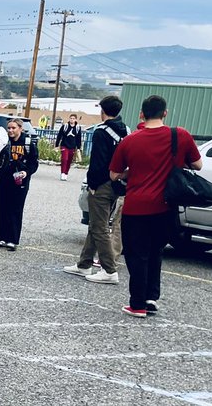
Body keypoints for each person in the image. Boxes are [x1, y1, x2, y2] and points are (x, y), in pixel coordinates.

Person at [108, 95, 201, 318]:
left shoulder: (130, 141)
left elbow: (114, 174)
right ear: (165, 113)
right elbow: (197, 164)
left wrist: (132, 172)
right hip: (166, 206)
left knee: (136, 254)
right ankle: (151, 297)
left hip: (137, 205)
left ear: (142, 114)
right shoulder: (180, 135)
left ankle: (137, 303)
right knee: (155, 251)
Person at [63, 96, 128, 283]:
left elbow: (98, 163)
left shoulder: (102, 132)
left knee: (99, 227)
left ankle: (110, 270)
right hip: (117, 183)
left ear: (103, 111)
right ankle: (84, 264)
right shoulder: (126, 130)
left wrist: (92, 184)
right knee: (96, 223)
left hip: (102, 184)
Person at [0, 118, 38, 251]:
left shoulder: (28, 143)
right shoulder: (4, 142)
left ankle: (13, 239)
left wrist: (26, 172)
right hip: (5, 179)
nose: (10, 131)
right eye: (9, 128)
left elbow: (34, 162)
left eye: (13, 128)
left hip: (20, 181)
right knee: (3, 208)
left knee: (16, 209)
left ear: (20, 128)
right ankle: (2, 237)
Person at [55, 114, 83, 180]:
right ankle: (62, 173)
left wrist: (78, 147)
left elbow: (79, 138)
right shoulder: (65, 126)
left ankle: (66, 173)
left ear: (75, 119)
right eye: (71, 118)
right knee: (65, 159)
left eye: (73, 118)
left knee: (69, 161)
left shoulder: (78, 128)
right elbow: (59, 135)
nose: (72, 120)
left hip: (72, 146)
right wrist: (57, 145)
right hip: (64, 145)